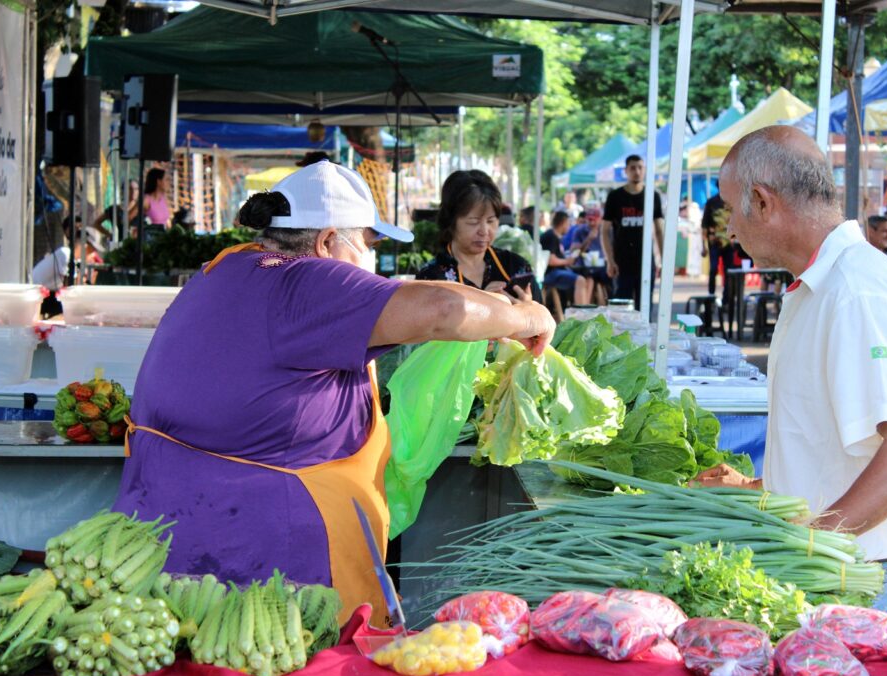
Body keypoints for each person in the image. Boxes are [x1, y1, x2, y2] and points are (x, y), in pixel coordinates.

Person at [113, 161, 556, 627]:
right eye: (366, 244)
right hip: (264, 567)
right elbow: (445, 308)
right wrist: (529, 317)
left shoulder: (225, 269)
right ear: (326, 243)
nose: (371, 260)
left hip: (173, 538)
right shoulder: (306, 281)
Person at [694, 126, 887, 662]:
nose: (729, 228)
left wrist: (808, 544)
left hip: (882, 581)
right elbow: (838, 440)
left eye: (731, 209)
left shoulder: (856, 292)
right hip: (863, 569)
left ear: (763, 202)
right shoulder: (822, 283)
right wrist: (759, 487)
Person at [417, 170, 541, 303]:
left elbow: (547, 320)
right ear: (450, 222)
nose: (484, 231)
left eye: (491, 221)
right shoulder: (431, 279)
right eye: (473, 222)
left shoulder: (517, 268)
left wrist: (528, 311)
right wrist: (481, 304)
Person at [601, 154, 664, 310]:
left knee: (645, 307)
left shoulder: (653, 196)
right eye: (633, 168)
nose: (637, 171)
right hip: (622, 261)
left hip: (645, 260)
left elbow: (659, 229)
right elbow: (604, 231)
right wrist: (610, 260)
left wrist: (663, 260)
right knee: (622, 309)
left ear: (645, 170)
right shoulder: (615, 197)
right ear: (626, 171)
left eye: (640, 167)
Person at [540, 210, 590, 306]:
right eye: (568, 223)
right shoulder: (551, 236)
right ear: (563, 222)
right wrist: (568, 261)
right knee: (580, 280)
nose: (569, 226)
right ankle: (581, 313)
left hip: (556, 271)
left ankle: (581, 309)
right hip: (550, 273)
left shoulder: (554, 236)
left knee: (585, 277)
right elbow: (551, 261)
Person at [569, 206, 610, 304]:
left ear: (600, 219)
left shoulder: (606, 231)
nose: (591, 223)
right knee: (588, 278)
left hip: (603, 266)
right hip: (585, 265)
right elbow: (574, 249)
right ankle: (585, 306)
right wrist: (588, 239)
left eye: (594, 220)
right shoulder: (580, 231)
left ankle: (608, 302)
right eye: (589, 220)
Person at [702, 194, 732, 295]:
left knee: (728, 271)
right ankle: (711, 295)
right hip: (714, 242)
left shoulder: (732, 200)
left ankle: (727, 299)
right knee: (713, 269)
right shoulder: (711, 202)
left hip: (729, 243)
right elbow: (704, 225)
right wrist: (704, 246)